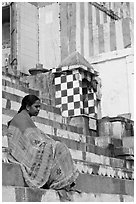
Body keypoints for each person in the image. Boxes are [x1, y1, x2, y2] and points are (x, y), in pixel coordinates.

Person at [7, 94, 79, 190]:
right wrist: (47, 143)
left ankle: (64, 182)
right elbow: (29, 140)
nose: (38, 109)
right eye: (36, 107)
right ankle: (59, 183)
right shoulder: (20, 118)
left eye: (39, 107)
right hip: (28, 153)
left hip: (35, 147)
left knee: (60, 147)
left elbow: (35, 136)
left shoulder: (26, 117)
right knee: (57, 147)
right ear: (28, 107)